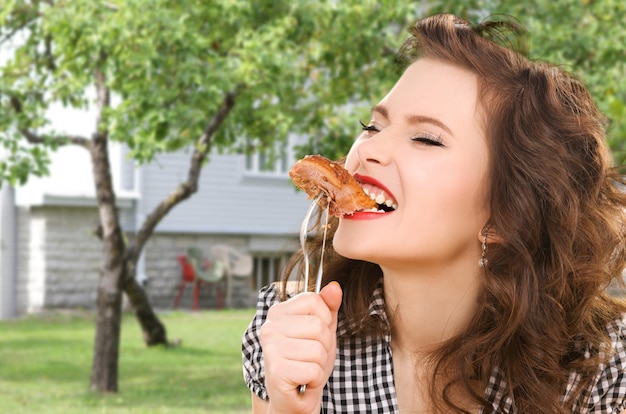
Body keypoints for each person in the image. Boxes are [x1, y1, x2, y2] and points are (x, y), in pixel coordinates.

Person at [242, 12, 626, 414]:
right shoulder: (287, 330)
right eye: (372, 127)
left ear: (507, 213)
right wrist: (291, 408)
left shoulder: (600, 368)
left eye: (426, 138)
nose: (366, 149)